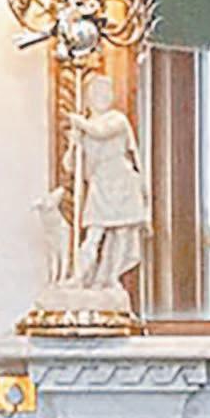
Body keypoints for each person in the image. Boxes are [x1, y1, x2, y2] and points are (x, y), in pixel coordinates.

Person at [68, 73, 148, 294]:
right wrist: (74, 144)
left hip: (122, 181)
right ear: (88, 97)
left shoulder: (116, 120)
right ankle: (79, 276)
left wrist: (80, 122)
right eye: (97, 92)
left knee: (122, 233)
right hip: (100, 183)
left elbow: (101, 132)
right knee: (93, 234)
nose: (102, 96)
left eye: (105, 92)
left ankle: (110, 278)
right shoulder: (85, 128)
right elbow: (70, 165)